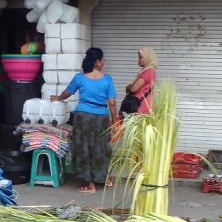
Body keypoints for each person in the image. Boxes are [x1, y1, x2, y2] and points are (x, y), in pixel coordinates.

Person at [51, 47, 117, 193]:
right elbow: (112, 103)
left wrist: (58, 98)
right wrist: (115, 121)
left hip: (83, 116)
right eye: (103, 59)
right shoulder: (107, 79)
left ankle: (91, 184)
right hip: (101, 117)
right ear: (97, 62)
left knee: (84, 148)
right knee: (101, 147)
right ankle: (105, 177)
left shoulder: (80, 77)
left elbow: (67, 93)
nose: (104, 61)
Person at [124, 46, 157, 115]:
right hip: (141, 108)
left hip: (142, 109)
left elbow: (133, 88)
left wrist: (128, 87)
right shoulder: (147, 71)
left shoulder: (148, 71)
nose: (138, 60)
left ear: (148, 58)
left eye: (140, 57)